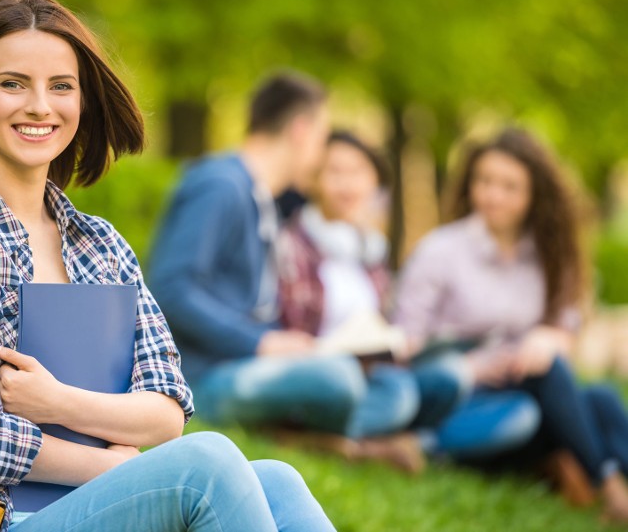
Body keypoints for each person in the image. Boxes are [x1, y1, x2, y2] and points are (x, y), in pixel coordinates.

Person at [0, 0, 334, 532]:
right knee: (207, 465)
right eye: (13, 83)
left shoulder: (101, 245)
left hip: (93, 505)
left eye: (61, 86)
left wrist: (56, 402)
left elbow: (167, 410)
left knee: (278, 481)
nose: (39, 106)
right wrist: (104, 464)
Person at [148, 76, 421, 470]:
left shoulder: (262, 196)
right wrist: (262, 343)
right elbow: (171, 289)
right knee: (338, 380)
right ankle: (340, 437)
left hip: (251, 364)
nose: (320, 154)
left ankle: (313, 437)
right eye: (322, 136)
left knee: (397, 389)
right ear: (301, 130)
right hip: (206, 375)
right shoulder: (220, 185)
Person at [394, 127, 628, 522]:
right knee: (554, 376)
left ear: (535, 194)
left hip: (533, 393)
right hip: (462, 399)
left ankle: (595, 474)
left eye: (509, 186)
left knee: (600, 398)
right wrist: (477, 367)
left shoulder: (549, 255)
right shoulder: (440, 251)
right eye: (484, 181)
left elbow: (566, 329)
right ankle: (609, 486)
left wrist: (547, 338)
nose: (493, 195)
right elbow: (404, 345)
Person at [277, 130, 473, 471]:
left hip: (374, 371)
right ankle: (332, 439)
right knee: (399, 397)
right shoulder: (292, 244)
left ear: (374, 183)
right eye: (335, 172)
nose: (347, 184)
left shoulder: (371, 251)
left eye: (358, 173)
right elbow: (290, 322)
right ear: (314, 179)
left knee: (448, 380)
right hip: (323, 370)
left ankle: (352, 442)